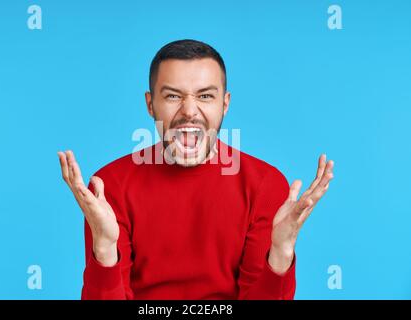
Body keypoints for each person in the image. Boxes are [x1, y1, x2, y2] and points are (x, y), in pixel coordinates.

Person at [57, 39, 334, 300]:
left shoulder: (265, 185)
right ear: (150, 104)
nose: (189, 110)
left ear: (224, 104)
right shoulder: (109, 187)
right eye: (173, 96)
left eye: (205, 96)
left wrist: (281, 253)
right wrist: (104, 249)